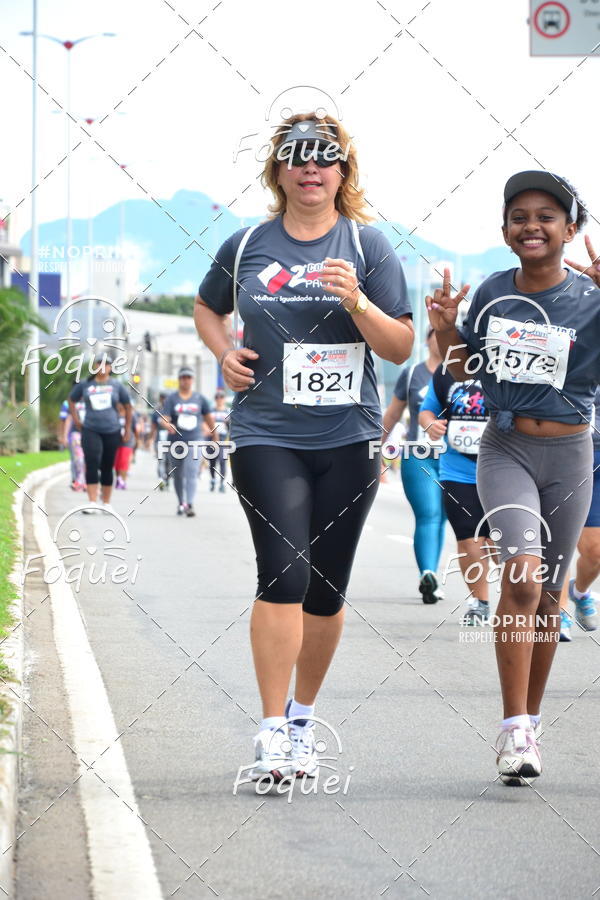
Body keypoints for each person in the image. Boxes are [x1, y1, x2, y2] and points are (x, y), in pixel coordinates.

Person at [194, 112, 413, 781]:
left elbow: (400, 347)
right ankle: (269, 731)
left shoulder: (369, 246)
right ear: (279, 170)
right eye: (297, 156)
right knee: (284, 574)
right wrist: (224, 351)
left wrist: (359, 304)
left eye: (324, 157)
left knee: (324, 589)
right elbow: (207, 308)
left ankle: (301, 718)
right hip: (267, 434)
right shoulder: (247, 245)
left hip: (350, 438)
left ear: (343, 171)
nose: (310, 167)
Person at [427, 170, 600, 786]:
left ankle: (531, 720)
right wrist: (446, 326)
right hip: (506, 449)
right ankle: (512, 725)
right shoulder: (494, 293)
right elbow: (463, 370)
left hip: (572, 454)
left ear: (570, 230)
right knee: (523, 577)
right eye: (519, 216)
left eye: (546, 216)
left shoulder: (592, 297)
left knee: (549, 594)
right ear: (505, 231)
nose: (532, 226)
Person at [419, 365, 495, 624]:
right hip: (457, 470)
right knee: (468, 538)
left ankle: (518, 600)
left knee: (500, 543)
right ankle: (480, 603)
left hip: (503, 468)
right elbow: (427, 410)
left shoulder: (505, 364)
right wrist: (430, 424)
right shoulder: (446, 371)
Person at [382, 328, 446, 603]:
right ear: (427, 340)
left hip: (455, 457)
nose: (441, 339)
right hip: (418, 454)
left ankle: (433, 576)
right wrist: (375, 450)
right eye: (435, 333)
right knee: (429, 513)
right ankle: (427, 574)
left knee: (442, 517)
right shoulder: (411, 375)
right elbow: (393, 414)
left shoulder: (466, 374)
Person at [558, 385, 600, 640]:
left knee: (595, 551)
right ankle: (559, 610)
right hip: (569, 450)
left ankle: (580, 591)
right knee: (560, 539)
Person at [68, 357, 132, 511]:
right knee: (92, 462)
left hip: (112, 430)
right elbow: (71, 400)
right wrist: (76, 420)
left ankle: (106, 503)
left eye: (106, 364)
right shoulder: (85, 384)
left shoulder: (116, 385)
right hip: (90, 429)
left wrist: (127, 428)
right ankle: (92, 502)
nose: (102, 367)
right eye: (99, 364)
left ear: (110, 368)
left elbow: (128, 406)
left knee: (107, 465)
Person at [164, 367, 215, 517]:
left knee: (191, 471)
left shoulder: (199, 398)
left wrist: (215, 435)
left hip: (195, 439)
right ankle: (181, 502)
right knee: (178, 474)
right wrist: (167, 425)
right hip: (176, 441)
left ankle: (190, 504)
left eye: (189, 377)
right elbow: (165, 417)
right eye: (183, 377)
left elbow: (209, 418)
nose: (186, 380)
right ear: (179, 379)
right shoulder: (171, 398)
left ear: (192, 380)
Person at [59, 396, 86, 491]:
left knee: (88, 459)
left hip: (90, 434)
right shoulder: (70, 403)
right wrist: (64, 436)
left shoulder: (91, 399)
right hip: (75, 435)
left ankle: (87, 481)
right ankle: (77, 480)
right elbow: (66, 419)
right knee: (77, 459)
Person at [209, 390, 230, 493]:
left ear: (224, 399)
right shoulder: (211, 411)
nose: (219, 399)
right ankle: (213, 479)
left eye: (221, 397)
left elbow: (231, 426)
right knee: (212, 461)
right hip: (212, 438)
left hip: (223, 439)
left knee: (222, 460)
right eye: (217, 397)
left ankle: (222, 482)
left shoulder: (228, 411)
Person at [151, 393, 171, 489]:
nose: (164, 400)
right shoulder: (156, 412)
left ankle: (167, 479)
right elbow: (153, 427)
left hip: (171, 441)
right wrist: (150, 439)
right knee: (161, 460)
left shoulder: (172, 411)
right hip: (159, 440)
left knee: (169, 462)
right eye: (163, 398)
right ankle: (161, 479)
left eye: (166, 398)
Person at [114, 407, 138, 489]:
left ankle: (123, 481)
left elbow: (135, 429)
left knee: (124, 461)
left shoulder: (131, 415)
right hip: (116, 440)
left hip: (127, 441)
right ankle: (118, 479)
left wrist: (137, 440)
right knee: (116, 462)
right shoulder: (115, 413)